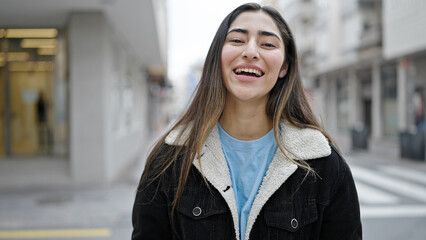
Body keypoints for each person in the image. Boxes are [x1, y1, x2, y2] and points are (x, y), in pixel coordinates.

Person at [132, 3, 362, 240]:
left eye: (268, 44)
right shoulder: (170, 159)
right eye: (237, 40)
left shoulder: (322, 163)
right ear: (217, 58)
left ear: (284, 66)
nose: (251, 51)